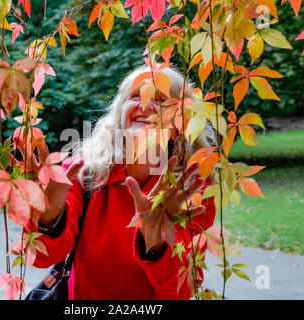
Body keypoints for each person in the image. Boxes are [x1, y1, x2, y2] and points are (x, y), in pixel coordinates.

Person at [31, 64, 217, 300]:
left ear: (182, 121)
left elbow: (182, 290)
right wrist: (48, 218)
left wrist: (157, 245)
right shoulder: (82, 173)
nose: (146, 104)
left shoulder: (193, 189)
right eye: (136, 95)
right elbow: (41, 257)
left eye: (161, 99)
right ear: (119, 112)